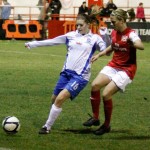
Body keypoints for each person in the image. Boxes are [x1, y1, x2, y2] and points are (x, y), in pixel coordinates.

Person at [25, 12, 109, 134]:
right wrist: (33, 44)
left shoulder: (95, 38)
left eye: (81, 25)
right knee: (54, 99)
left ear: (88, 24)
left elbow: (106, 51)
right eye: (77, 25)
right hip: (65, 73)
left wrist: (104, 34)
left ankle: (46, 127)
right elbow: (52, 41)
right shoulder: (70, 36)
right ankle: (51, 119)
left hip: (80, 76)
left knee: (59, 99)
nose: (78, 27)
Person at [83, 8, 144, 136]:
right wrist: (100, 54)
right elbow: (113, 46)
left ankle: (106, 125)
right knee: (95, 85)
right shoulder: (115, 32)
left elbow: (141, 45)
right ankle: (95, 117)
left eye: (114, 22)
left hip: (126, 69)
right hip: (114, 65)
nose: (112, 24)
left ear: (122, 21)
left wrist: (132, 44)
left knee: (106, 94)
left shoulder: (131, 34)